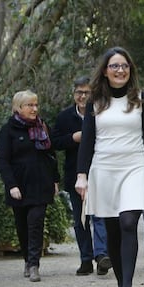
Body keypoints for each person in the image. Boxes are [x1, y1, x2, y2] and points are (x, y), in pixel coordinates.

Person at [75, 46, 144, 287]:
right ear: (105, 70)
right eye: (115, 66)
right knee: (113, 229)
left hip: (135, 167)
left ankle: (127, 286)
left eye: (124, 66)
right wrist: (82, 175)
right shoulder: (95, 101)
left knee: (128, 223)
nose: (120, 70)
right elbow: (87, 141)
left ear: (130, 70)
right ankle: (119, 284)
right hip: (103, 169)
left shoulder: (141, 99)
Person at [0, 90, 60, 282]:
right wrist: (11, 185)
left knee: (36, 223)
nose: (35, 109)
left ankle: (34, 265)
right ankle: (27, 259)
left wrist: (55, 180)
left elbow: (51, 155)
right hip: (19, 186)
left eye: (36, 105)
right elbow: (3, 161)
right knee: (22, 226)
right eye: (30, 105)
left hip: (41, 184)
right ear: (18, 108)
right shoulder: (8, 130)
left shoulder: (42, 127)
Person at [52, 76, 111, 276]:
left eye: (87, 92)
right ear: (74, 94)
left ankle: (102, 256)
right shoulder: (64, 117)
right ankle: (86, 259)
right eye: (79, 92)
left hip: (100, 171)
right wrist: (73, 138)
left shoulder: (102, 113)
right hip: (74, 174)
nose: (83, 96)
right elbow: (55, 142)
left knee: (100, 216)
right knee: (80, 220)